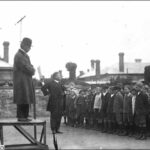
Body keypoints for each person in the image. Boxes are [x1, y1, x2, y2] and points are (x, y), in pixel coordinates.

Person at [13, 37, 35, 121]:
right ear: (23, 45)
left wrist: (31, 68)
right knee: (22, 97)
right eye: (28, 46)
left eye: (29, 47)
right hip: (21, 82)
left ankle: (24, 116)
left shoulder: (24, 55)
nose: (29, 48)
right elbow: (26, 67)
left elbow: (30, 67)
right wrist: (32, 70)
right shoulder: (19, 55)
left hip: (25, 81)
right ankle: (21, 116)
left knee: (26, 97)